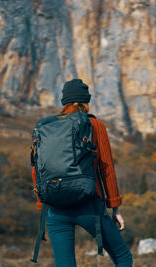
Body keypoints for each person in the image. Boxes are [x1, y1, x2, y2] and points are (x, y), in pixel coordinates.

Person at [31, 79, 133, 267]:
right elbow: (106, 167)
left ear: (65, 102)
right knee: (123, 257)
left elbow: (36, 168)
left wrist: (42, 205)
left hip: (55, 208)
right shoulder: (94, 125)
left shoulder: (46, 128)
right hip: (89, 205)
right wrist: (115, 206)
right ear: (85, 102)